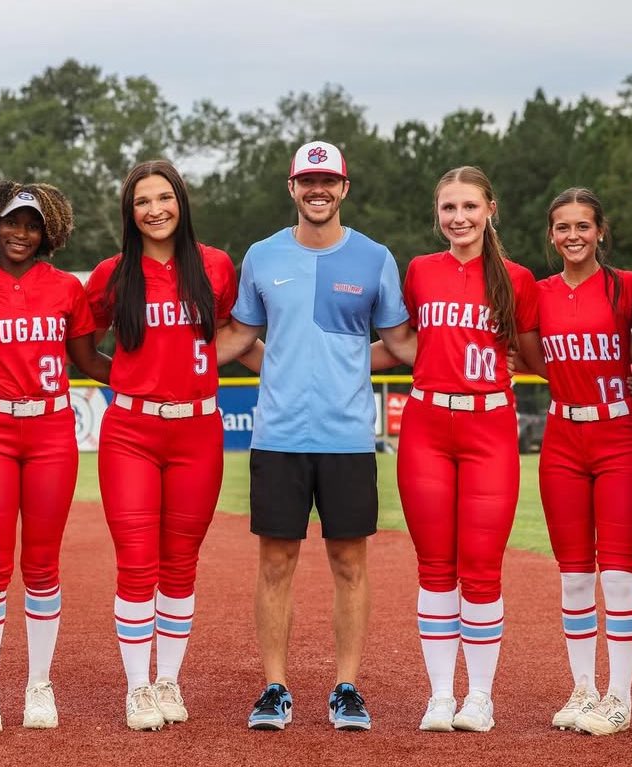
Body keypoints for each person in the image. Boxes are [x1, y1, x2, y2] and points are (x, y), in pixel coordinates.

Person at [217, 140, 414, 732]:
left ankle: (346, 687)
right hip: (278, 437)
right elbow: (238, 338)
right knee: (275, 562)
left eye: (328, 180)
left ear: (345, 188)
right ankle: (275, 687)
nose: (318, 189)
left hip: (348, 438)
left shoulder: (375, 258)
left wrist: (476, 351)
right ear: (292, 188)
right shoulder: (261, 255)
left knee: (349, 562)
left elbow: (400, 345)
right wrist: (169, 363)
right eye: (308, 180)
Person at [0, 182, 111, 732]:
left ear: (48, 232)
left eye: (33, 224)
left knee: (41, 565)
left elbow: (87, 358)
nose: (21, 233)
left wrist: (152, 379)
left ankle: (39, 685)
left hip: (52, 432)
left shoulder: (65, 288)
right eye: (12, 222)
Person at [84, 160, 238, 731]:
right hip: (131, 431)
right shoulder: (112, 273)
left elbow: (232, 334)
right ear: (130, 211)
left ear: (182, 202)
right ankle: (137, 687)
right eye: (142, 200)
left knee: (181, 564)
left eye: (164, 197)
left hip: (198, 429)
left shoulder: (216, 267)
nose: (155, 209)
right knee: (135, 561)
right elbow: (83, 345)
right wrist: (128, 376)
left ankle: (169, 679)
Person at [393, 166, 542, 733]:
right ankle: (439, 695)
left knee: (481, 568)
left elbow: (532, 356)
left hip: (490, 430)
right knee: (434, 566)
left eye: (469, 207)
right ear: (438, 214)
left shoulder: (517, 278)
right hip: (427, 425)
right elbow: (408, 342)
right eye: (449, 208)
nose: (459, 218)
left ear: (490, 210)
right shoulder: (420, 271)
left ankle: (479, 696)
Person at [535, 188, 632, 736]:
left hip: (619, 434)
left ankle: (618, 696)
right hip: (561, 438)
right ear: (551, 235)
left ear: (601, 231)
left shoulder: (627, 286)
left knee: (619, 574)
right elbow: (529, 354)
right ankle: (582, 689)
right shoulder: (538, 293)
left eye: (583, 225)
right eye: (563, 227)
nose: (573, 235)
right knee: (575, 576)